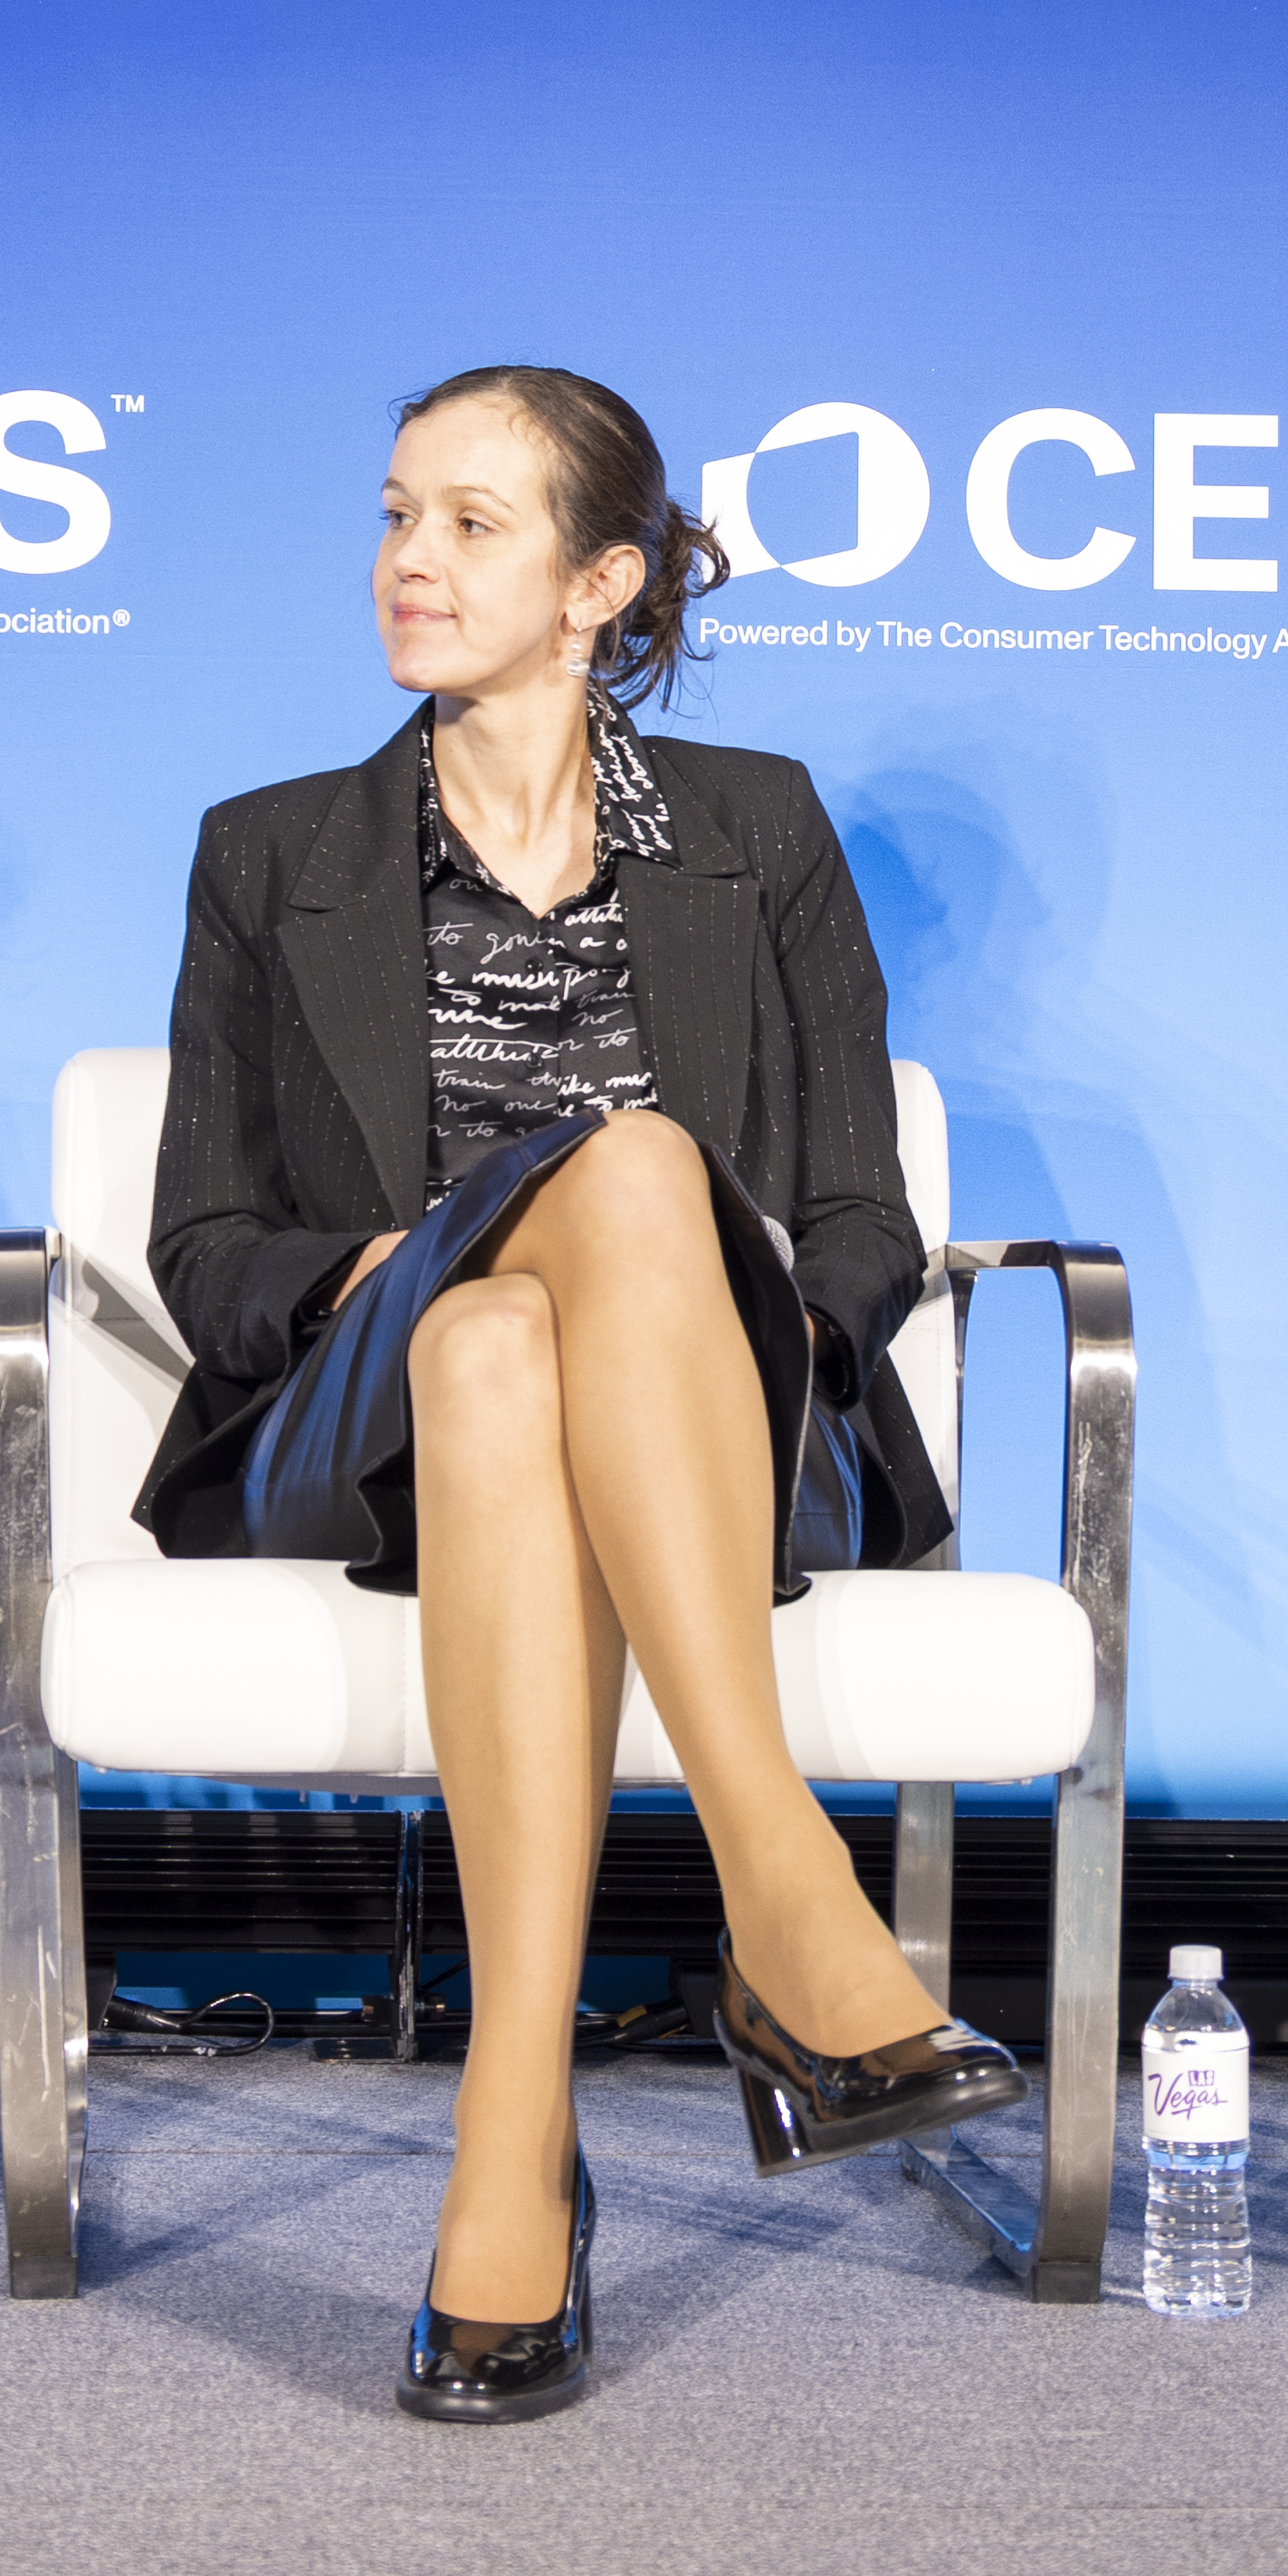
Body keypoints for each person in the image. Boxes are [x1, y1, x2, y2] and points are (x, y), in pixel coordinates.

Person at [136, 363, 1016, 2424]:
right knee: (563, 1214)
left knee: (523, 1326)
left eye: (468, 523)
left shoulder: (761, 830)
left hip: (684, 1415)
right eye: (391, 515)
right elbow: (200, 1250)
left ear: (602, 581)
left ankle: (506, 2132)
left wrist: (736, 1311)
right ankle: (783, 1893)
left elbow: (863, 1221)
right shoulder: (268, 855)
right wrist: (387, 1254)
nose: (406, 562)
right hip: (361, 1436)